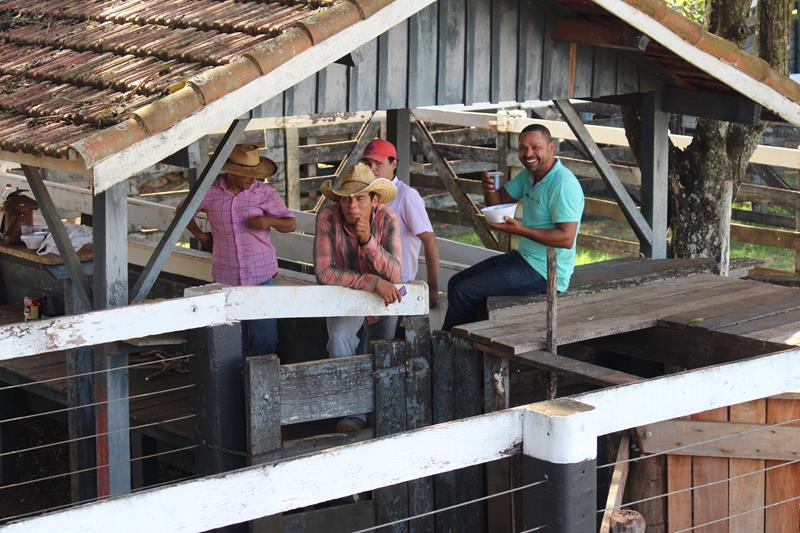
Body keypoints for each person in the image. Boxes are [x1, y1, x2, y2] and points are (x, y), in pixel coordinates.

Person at [441, 124, 584, 331]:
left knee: (465, 290)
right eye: (523, 148)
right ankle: (470, 340)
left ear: (551, 147)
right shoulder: (529, 176)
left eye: (536, 147)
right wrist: (489, 188)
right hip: (525, 258)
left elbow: (566, 238)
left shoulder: (562, 184)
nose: (528, 154)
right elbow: (498, 203)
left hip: (548, 272)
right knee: (456, 283)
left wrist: (520, 230)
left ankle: (451, 345)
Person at [314, 163, 402, 433]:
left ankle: (382, 410)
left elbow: (397, 273)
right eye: (345, 198)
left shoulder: (387, 219)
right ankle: (352, 412)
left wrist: (368, 242)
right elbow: (323, 272)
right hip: (346, 294)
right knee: (339, 337)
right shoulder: (327, 217)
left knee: (381, 347)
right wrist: (371, 281)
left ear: (374, 200)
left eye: (360, 198)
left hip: (381, 300)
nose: (352, 205)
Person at [187, 143, 297, 356]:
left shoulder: (264, 193)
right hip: (225, 276)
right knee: (232, 339)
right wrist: (200, 236)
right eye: (246, 174)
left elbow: (291, 224)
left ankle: (258, 385)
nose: (252, 179)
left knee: (266, 338)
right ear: (231, 172)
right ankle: (237, 384)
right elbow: (183, 212)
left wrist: (268, 221)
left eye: (255, 174)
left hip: (261, 276)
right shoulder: (210, 193)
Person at [360, 139, 441, 308]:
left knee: (386, 333)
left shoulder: (406, 196)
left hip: (398, 286)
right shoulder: (364, 195)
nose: (372, 169)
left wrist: (433, 290)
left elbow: (429, 240)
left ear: (394, 163)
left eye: (378, 164)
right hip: (370, 283)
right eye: (368, 163)